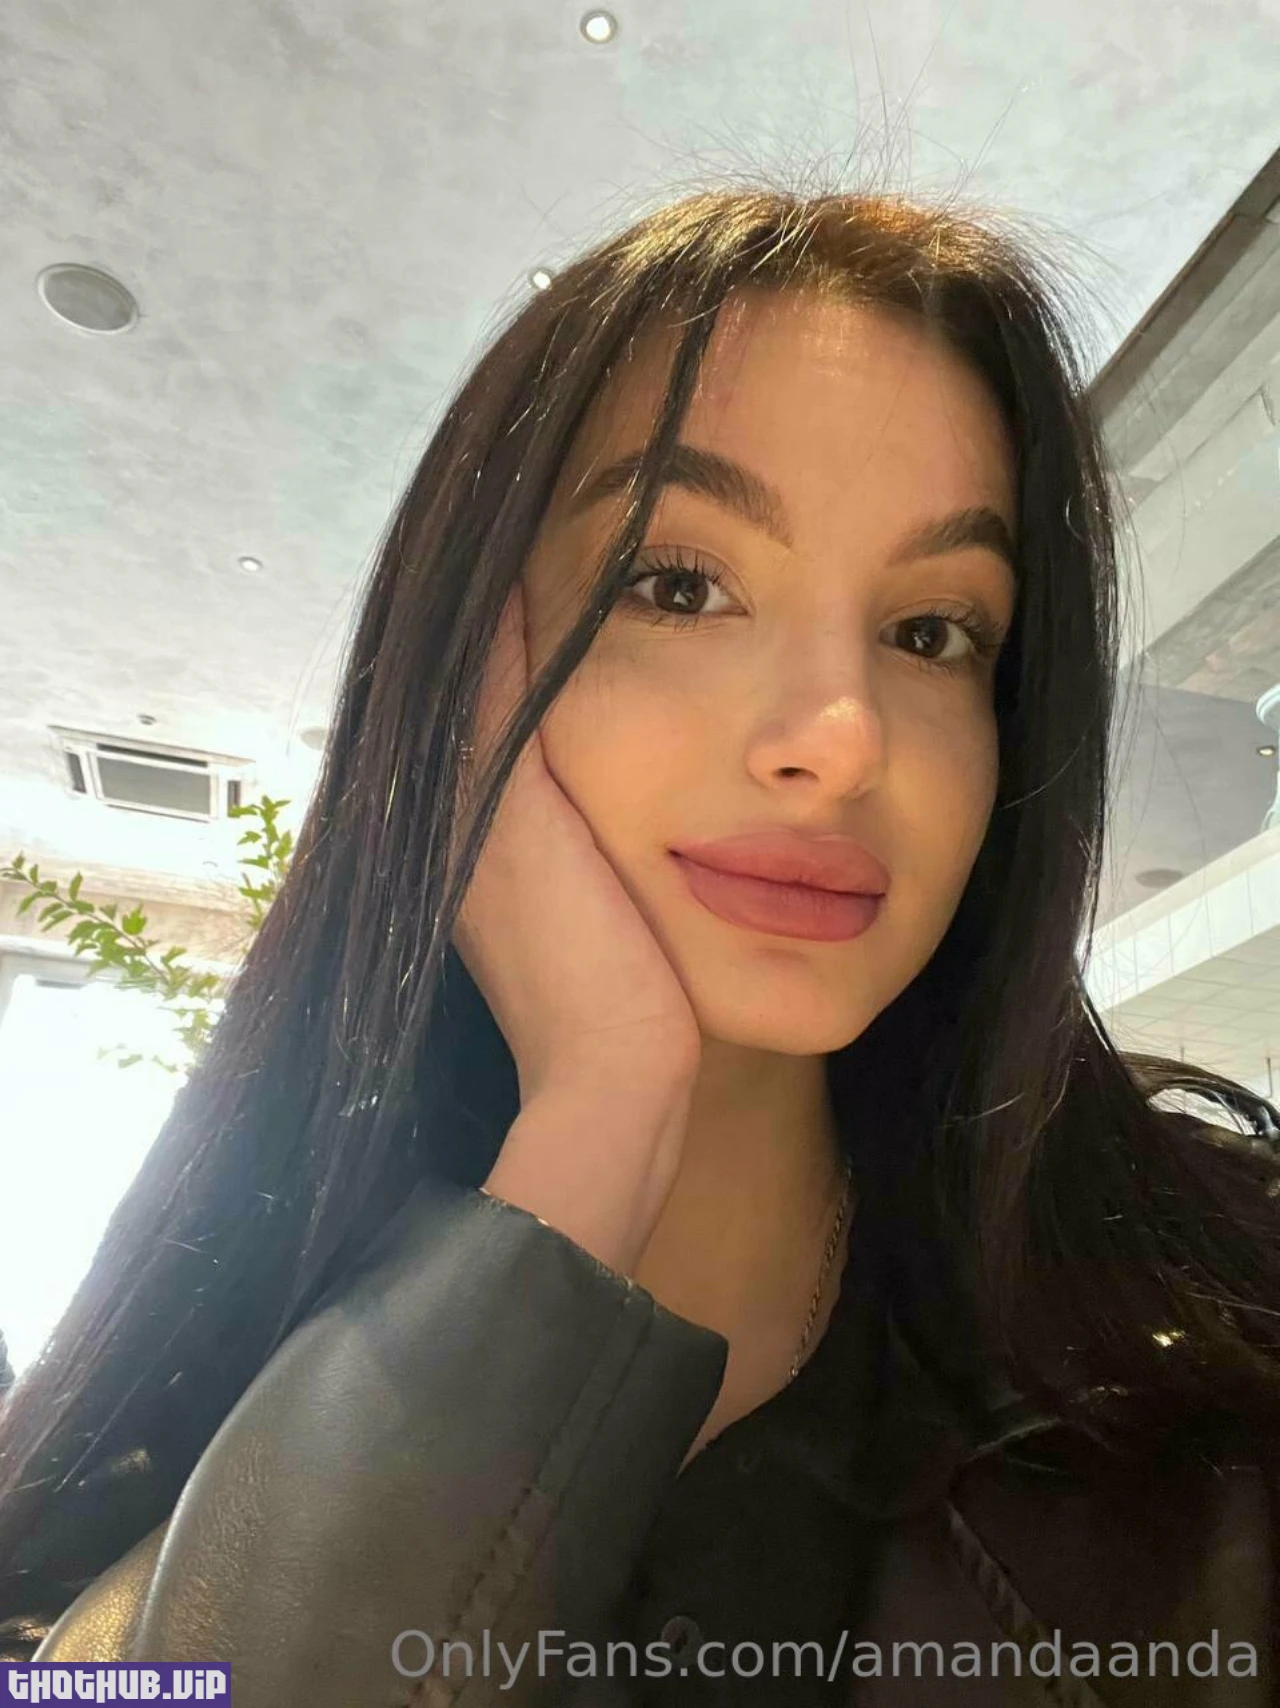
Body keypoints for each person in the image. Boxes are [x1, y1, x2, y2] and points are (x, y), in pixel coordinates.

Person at [1, 185, 1278, 1705]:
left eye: (933, 632)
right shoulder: (195, 1383)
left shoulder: (1221, 1337)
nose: (843, 739)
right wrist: (594, 1124)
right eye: (679, 587)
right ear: (460, 671)